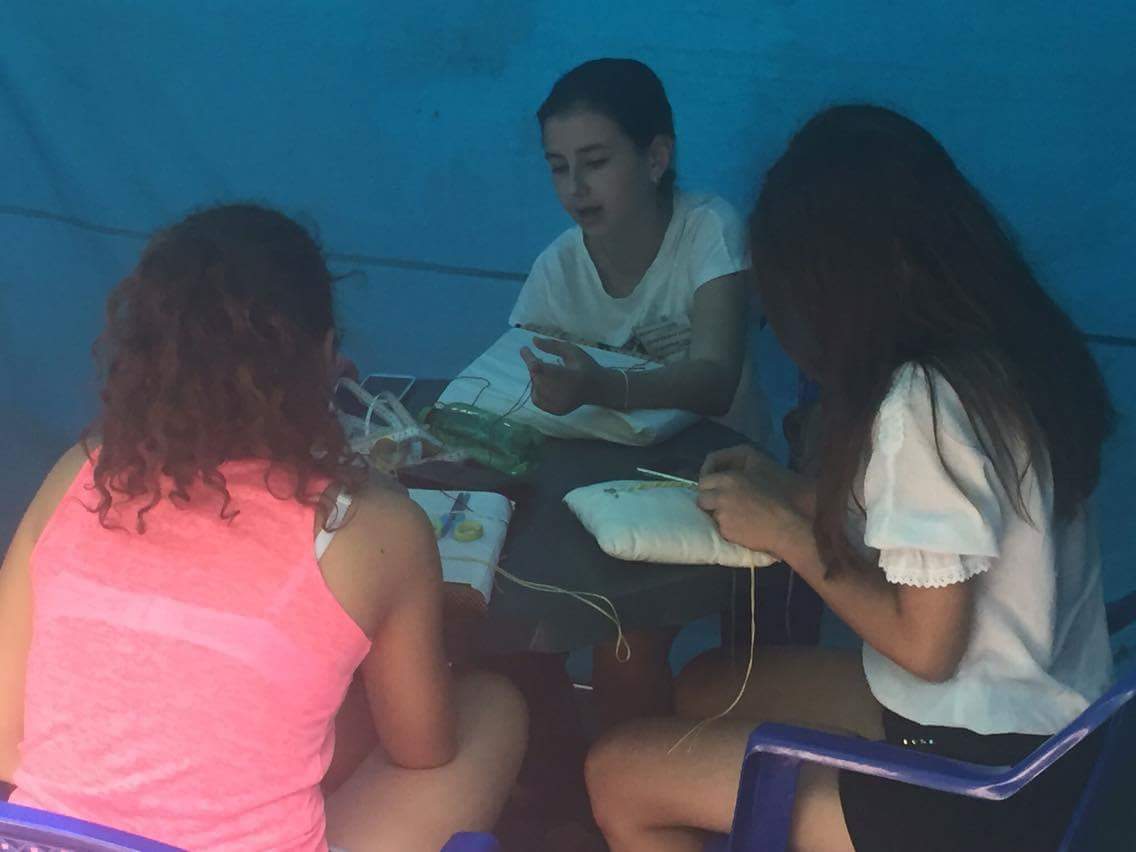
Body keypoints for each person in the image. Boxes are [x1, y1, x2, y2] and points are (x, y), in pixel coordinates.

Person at [584, 105, 1115, 852]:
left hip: (981, 786)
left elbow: (928, 649)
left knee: (616, 774)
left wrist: (791, 536)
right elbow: (953, 535)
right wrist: (793, 494)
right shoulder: (1010, 344)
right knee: (707, 684)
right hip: (1054, 734)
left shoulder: (923, 406)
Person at [0, 205, 527, 851]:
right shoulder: (369, 525)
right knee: (492, 706)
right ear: (327, 357)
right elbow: (422, 748)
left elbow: (6, 737)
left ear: (144, 357)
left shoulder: (80, 473)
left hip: (36, 839)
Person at [510, 57, 772, 734]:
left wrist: (600, 384)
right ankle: (561, 767)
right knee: (516, 618)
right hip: (596, 482)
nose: (576, 187)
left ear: (656, 158)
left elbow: (715, 377)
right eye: (558, 167)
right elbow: (517, 379)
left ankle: (626, 774)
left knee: (627, 638)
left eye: (596, 162)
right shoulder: (558, 268)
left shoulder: (707, 230)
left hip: (715, 476)